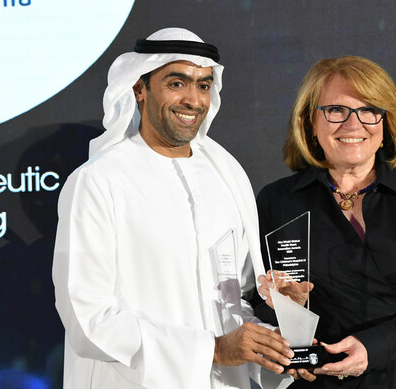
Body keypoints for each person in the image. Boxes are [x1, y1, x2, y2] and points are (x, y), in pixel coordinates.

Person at [52, 28, 295, 389]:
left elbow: (230, 304)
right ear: (139, 88)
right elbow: (88, 321)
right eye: (177, 83)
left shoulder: (226, 175)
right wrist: (211, 350)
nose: (193, 100)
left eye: (203, 85)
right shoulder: (98, 181)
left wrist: (275, 350)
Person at [254, 56, 396, 388]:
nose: (353, 124)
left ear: (386, 122)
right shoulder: (277, 201)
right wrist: (286, 313)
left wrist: (373, 349)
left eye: (369, 110)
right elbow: (256, 312)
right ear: (309, 122)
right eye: (336, 110)